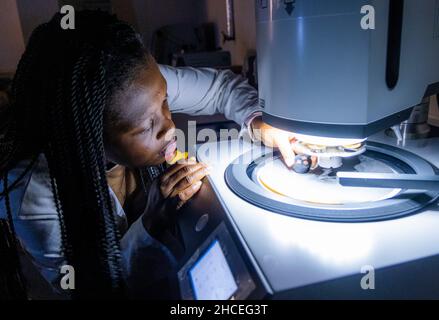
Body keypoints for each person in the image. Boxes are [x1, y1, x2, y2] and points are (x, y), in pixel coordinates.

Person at [0, 11, 297, 299]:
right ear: (88, 135)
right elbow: (87, 287)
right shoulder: (31, 194)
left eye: (166, 101)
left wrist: (256, 121)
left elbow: (221, 88)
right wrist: (150, 221)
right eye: (145, 127)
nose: (169, 127)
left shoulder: (137, 84)